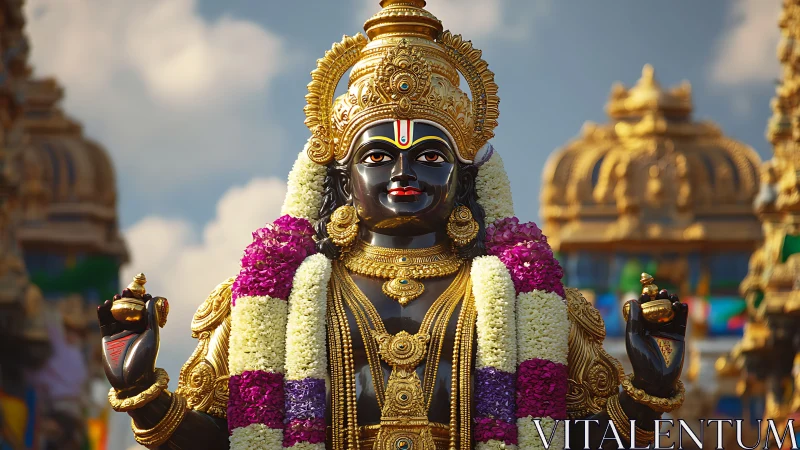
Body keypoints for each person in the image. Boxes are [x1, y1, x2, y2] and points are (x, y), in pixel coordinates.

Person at [97, 1, 687, 448]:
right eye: (378, 156)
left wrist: (651, 390)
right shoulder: (268, 303)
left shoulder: (528, 301)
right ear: (340, 175)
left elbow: (580, 436)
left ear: (463, 174)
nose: (404, 172)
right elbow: (224, 438)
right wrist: (140, 389)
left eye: (430, 156)